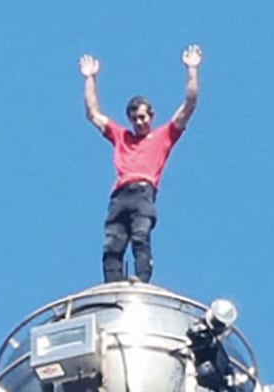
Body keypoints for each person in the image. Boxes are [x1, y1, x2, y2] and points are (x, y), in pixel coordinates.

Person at [79, 45, 202, 284]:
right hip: (120, 195)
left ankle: (142, 278)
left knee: (140, 236)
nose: (139, 122)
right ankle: (112, 287)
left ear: (152, 116)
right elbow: (93, 113)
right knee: (112, 244)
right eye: (135, 118)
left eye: (143, 117)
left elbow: (189, 104)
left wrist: (192, 69)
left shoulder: (164, 135)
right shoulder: (121, 136)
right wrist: (90, 78)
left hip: (143, 192)